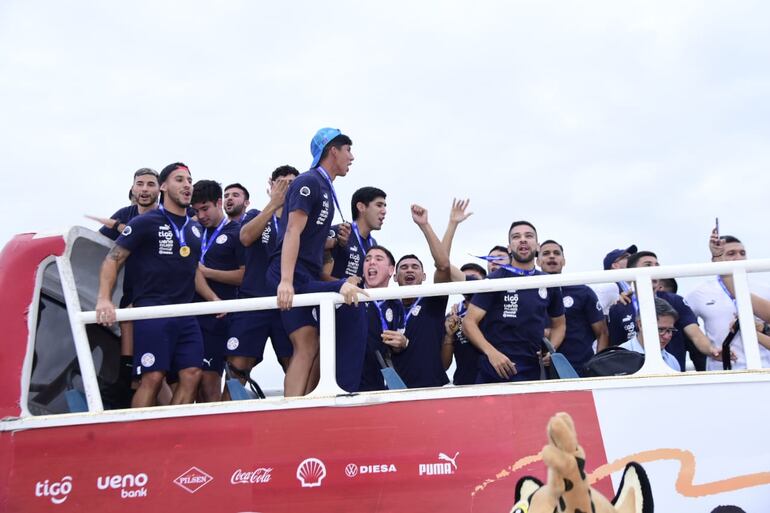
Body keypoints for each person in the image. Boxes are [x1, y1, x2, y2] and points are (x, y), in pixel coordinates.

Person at [95, 162, 213, 407]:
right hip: (152, 310)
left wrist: (212, 298)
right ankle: (137, 430)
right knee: (153, 377)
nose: (187, 185)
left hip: (185, 311)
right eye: (179, 180)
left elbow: (191, 270)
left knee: (192, 374)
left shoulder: (195, 228)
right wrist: (104, 299)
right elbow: (112, 260)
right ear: (163, 187)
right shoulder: (145, 222)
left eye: (189, 181)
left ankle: (172, 429)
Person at [267, 128, 365, 397]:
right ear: (333, 150)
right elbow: (292, 231)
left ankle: (298, 406)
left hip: (306, 273)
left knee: (309, 342)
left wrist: (333, 242)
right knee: (346, 296)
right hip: (292, 273)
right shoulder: (309, 181)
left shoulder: (325, 187)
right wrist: (286, 281)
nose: (352, 157)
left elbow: (309, 238)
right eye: (348, 150)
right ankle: (294, 407)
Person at [86, 167, 161, 406]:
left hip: (164, 299)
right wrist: (103, 297)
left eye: (150, 184)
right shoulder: (124, 214)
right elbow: (97, 246)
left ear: (160, 189)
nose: (145, 189)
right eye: (140, 184)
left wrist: (120, 227)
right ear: (132, 188)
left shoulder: (169, 216)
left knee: (161, 374)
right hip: (132, 295)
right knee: (134, 371)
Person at [463, 221, 566, 383]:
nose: (523, 240)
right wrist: (492, 353)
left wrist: (551, 349)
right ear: (509, 248)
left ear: (537, 246)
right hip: (494, 370)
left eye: (528, 236)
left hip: (532, 371)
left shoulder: (548, 282)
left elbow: (559, 324)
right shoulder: (495, 280)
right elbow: (468, 322)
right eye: (516, 237)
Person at [226, 166, 297, 396]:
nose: (287, 188)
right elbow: (245, 237)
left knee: (295, 366)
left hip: (287, 304)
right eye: (282, 183)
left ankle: (296, 417)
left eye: (292, 184)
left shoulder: (298, 221)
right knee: (236, 370)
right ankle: (225, 417)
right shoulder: (256, 214)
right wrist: (274, 204)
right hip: (253, 302)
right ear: (271, 185)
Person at [607, 250, 720, 370]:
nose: (654, 269)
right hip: (634, 374)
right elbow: (615, 347)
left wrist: (713, 351)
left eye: (657, 265)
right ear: (631, 272)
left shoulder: (676, 301)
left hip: (671, 371)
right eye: (648, 265)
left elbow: (695, 335)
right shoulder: (620, 306)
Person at [190, 179, 245, 402]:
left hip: (218, 317)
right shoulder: (192, 230)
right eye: (196, 210)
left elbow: (244, 276)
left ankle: (214, 424)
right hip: (190, 314)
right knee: (190, 380)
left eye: (205, 208)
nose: (201, 215)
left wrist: (207, 272)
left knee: (209, 380)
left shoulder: (237, 232)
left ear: (219, 202)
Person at [686, 230, 770, 369]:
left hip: (765, 369)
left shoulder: (765, 288)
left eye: (742, 253)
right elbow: (685, 326)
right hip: (722, 372)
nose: (738, 258)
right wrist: (708, 349)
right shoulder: (698, 292)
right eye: (731, 254)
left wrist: (760, 328)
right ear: (715, 259)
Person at [537, 240, 609, 375]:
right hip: (538, 372)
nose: (552, 256)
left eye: (556, 253)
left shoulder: (583, 292)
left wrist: (597, 368)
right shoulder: (529, 292)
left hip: (579, 371)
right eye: (546, 253)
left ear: (563, 261)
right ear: (538, 261)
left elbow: (602, 333)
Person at [358, 245, 408, 391]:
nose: (372, 262)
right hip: (349, 383)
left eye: (378, 259)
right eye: (367, 259)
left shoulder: (396, 305)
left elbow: (396, 349)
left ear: (391, 270)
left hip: (379, 383)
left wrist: (402, 343)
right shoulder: (349, 295)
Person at [442, 263, 486, 385]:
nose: (467, 283)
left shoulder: (495, 310)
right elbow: (444, 365)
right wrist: (449, 335)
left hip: (494, 381)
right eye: (463, 279)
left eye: (472, 278)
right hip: (464, 383)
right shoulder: (452, 316)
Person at [620, 297, 682, 371]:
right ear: (641, 325)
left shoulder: (672, 361)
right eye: (660, 329)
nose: (666, 336)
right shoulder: (619, 358)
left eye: (670, 330)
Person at [591, 245, 637, 315]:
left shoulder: (634, 290)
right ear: (615, 265)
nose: (633, 259)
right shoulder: (608, 287)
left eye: (633, 256)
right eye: (627, 257)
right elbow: (593, 314)